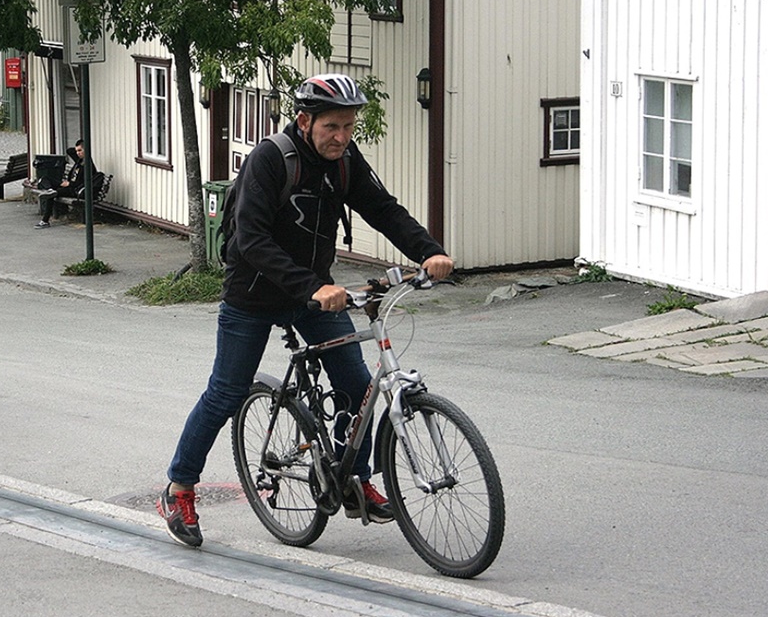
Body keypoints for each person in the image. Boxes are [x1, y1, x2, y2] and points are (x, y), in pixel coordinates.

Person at [157, 74, 455, 548]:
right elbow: (250, 241)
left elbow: (382, 208)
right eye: (332, 126)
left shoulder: (344, 161)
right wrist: (314, 285)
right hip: (253, 295)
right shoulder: (270, 160)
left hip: (314, 295)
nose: (342, 137)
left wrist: (429, 250)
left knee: (358, 386)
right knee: (226, 392)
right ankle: (179, 487)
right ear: (305, 120)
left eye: (349, 127)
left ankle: (354, 480)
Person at [35, 140, 99, 228]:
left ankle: (45, 220)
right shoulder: (79, 161)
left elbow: (83, 183)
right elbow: (69, 150)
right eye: (77, 151)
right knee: (44, 179)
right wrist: (79, 149)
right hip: (67, 184)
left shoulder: (88, 166)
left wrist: (69, 184)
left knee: (52, 195)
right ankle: (49, 190)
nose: (77, 153)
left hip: (74, 189)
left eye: (80, 150)